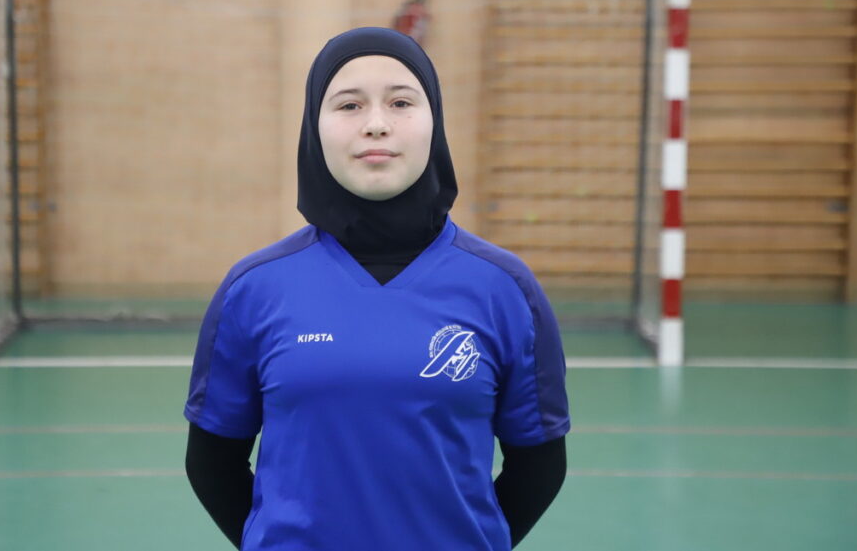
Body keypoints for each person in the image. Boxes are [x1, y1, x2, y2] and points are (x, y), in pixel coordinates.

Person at [184, 27, 570, 550]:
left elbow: (539, 465)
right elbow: (212, 462)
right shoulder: (254, 289)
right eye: (348, 105)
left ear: (434, 121)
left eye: (401, 102)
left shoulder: (504, 289)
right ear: (313, 128)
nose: (376, 125)